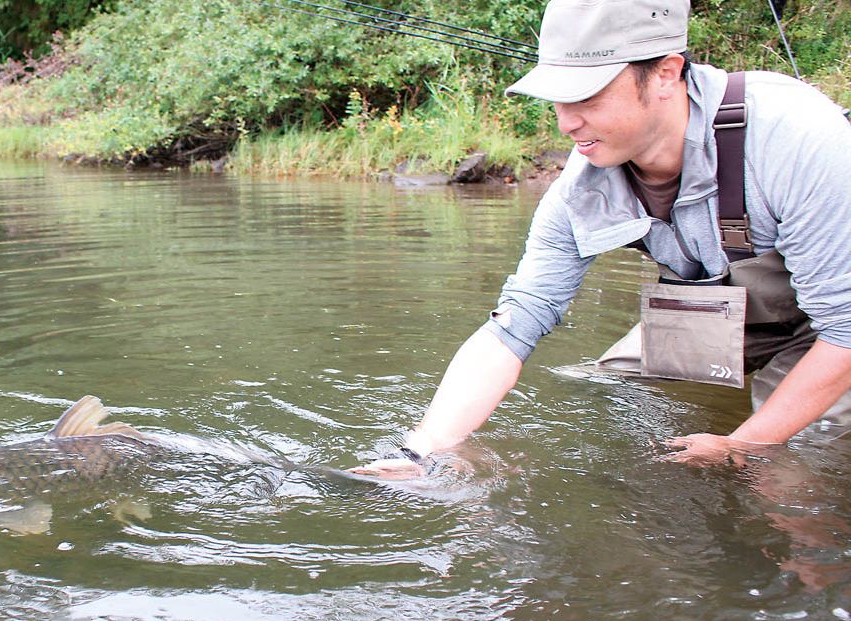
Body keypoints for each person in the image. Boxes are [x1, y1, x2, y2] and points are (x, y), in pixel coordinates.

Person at [353, 0, 851, 478]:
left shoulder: (793, 136)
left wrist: (741, 444)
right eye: (558, 101)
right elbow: (517, 321)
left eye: (588, 97)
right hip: (727, 312)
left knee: (795, 463)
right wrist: (423, 453)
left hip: (836, 325)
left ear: (665, 73)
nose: (567, 123)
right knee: (607, 390)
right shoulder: (583, 180)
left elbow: (846, 330)